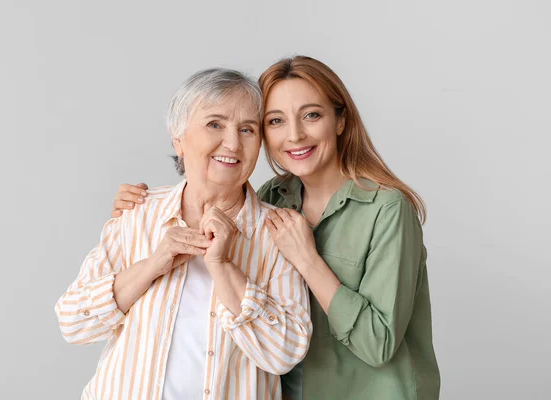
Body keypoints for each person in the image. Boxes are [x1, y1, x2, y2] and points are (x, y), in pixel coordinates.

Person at [112, 56, 440, 400]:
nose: (295, 134)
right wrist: (137, 207)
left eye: (312, 115)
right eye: (276, 121)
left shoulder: (387, 210)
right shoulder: (272, 199)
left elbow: (379, 344)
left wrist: (308, 261)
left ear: (340, 121)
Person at [55, 68, 312, 400]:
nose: (233, 143)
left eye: (246, 129)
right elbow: (73, 323)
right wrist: (153, 265)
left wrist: (223, 266)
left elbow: (283, 354)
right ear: (178, 138)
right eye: (214, 124)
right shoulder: (137, 213)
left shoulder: (279, 231)